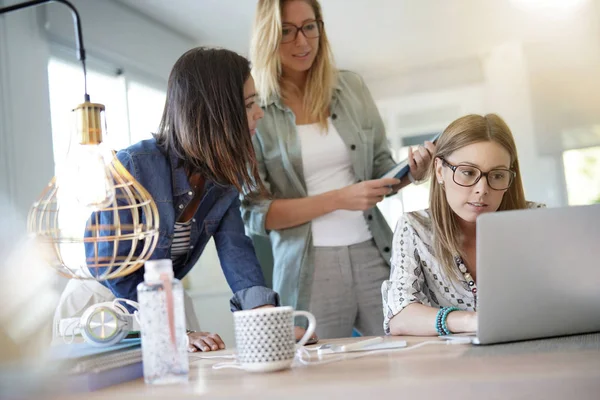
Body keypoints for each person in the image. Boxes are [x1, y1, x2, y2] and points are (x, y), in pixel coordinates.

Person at [54, 47, 280, 352]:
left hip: (161, 299)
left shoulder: (222, 182)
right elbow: (109, 266)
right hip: (101, 304)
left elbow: (236, 250)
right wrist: (172, 327)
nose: (259, 113)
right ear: (217, 110)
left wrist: (265, 319)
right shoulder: (134, 165)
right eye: (249, 104)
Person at [241, 0, 434, 339]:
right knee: (319, 375)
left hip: (373, 250)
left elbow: (380, 170)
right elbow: (258, 215)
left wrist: (412, 172)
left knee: (409, 354)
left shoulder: (351, 88)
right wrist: (339, 198)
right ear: (267, 36)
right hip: (308, 268)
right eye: (286, 31)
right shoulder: (255, 109)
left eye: (309, 27)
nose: (302, 42)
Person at [382, 114, 545, 336]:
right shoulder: (415, 228)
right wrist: (470, 322)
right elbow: (399, 317)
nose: (482, 189)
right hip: (450, 364)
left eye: (497, 175)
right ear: (439, 171)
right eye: (468, 172)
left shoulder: (535, 220)